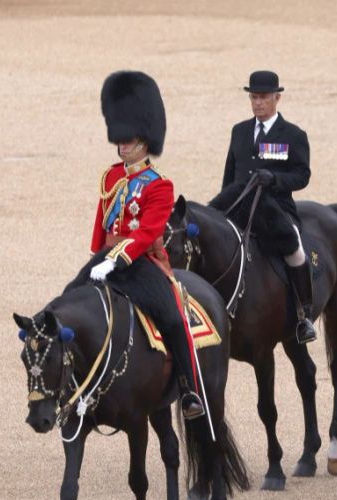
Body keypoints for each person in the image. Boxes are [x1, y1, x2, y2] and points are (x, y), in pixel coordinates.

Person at [80, 70, 204, 419]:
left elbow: (148, 233)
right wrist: (96, 258)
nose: (122, 145)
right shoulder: (111, 176)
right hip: (106, 257)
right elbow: (101, 220)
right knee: (70, 298)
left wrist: (117, 260)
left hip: (142, 262)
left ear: (145, 141)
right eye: (120, 138)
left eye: (128, 139)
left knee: (172, 318)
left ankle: (189, 389)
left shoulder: (160, 185)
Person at [220, 70, 316, 344]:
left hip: (275, 207)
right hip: (239, 204)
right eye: (253, 97)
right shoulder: (239, 131)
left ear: (277, 98)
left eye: (263, 98)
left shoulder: (293, 135)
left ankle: (303, 314)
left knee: (294, 246)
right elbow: (229, 175)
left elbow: (302, 175)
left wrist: (275, 179)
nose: (257, 103)